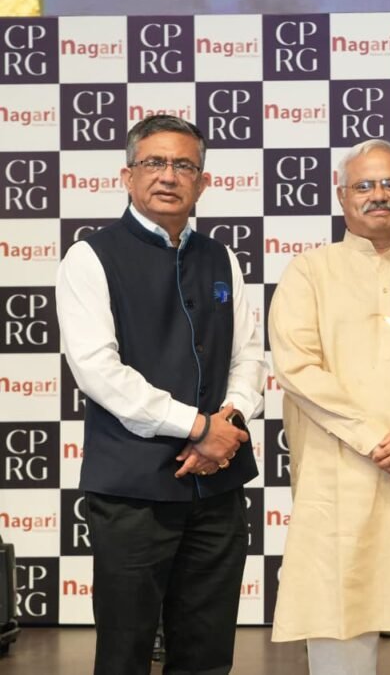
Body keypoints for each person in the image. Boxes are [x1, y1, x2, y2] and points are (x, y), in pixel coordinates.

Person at [55, 114, 266, 675]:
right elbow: (99, 370)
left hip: (217, 487)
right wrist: (197, 428)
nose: (169, 176)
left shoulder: (221, 258)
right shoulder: (90, 257)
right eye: (154, 162)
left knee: (207, 655)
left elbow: (249, 355)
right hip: (133, 495)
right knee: (124, 654)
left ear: (203, 182)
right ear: (128, 175)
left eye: (184, 166)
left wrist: (229, 423)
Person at [269, 139, 390, 674]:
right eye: (364, 185)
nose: (379, 195)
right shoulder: (309, 272)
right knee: (338, 635)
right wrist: (378, 439)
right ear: (342, 196)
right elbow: (297, 368)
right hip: (339, 482)